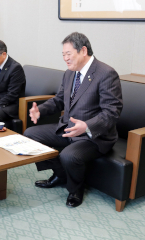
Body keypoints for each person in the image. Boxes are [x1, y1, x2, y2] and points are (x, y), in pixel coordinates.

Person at [24, 32, 123, 208]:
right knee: (30, 135)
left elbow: (112, 112)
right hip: (69, 127)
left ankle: (75, 190)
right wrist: (40, 110)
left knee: (68, 155)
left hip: (94, 136)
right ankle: (60, 174)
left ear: (83, 50)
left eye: (68, 54)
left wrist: (87, 126)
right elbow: (59, 99)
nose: (65, 59)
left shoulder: (106, 73)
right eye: (63, 55)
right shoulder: (70, 73)